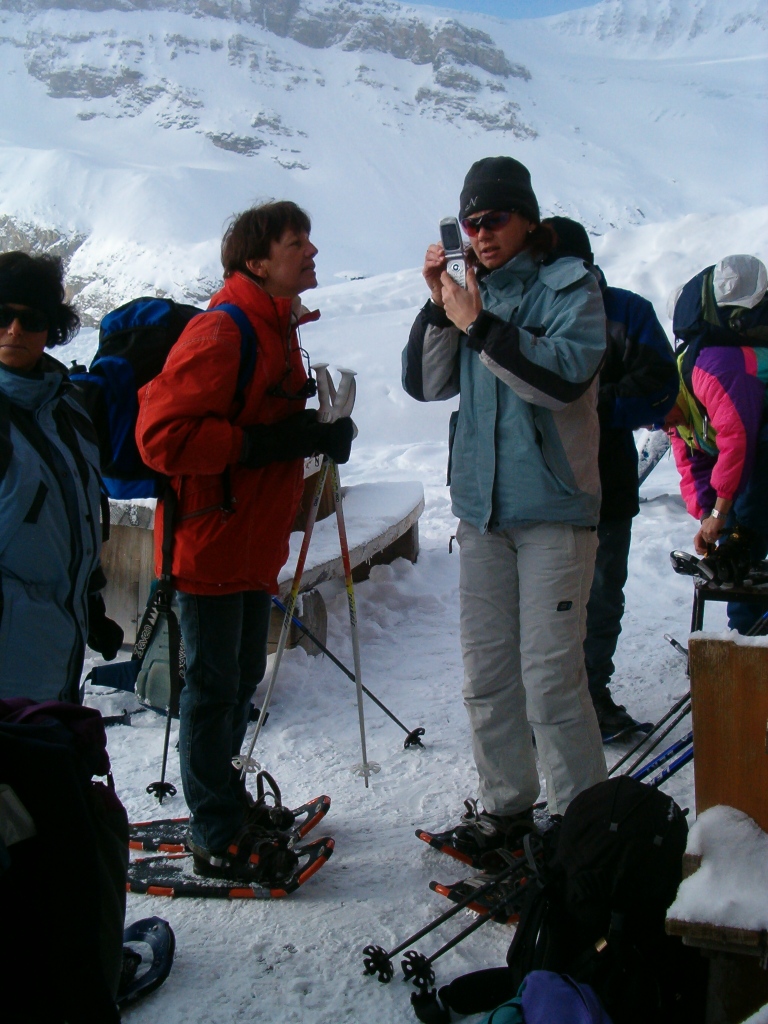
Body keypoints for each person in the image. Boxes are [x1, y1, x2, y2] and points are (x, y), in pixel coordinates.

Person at [136, 201, 354, 880]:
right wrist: (264, 444)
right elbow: (160, 437)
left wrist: (315, 435)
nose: (311, 252)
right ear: (257, 261)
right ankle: (215, 831)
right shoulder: (224, 330)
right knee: (211, 690)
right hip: (209, 544)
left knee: (237, 683)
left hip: (248, 543)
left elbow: (265, 425)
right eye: (296, 243)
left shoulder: (278, 327)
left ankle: (225, 803)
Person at [402, 157, 607, 855]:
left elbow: (562, 379)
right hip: (482, 514)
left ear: (528, 220)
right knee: (488, 678)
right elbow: (425, 386)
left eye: (495, 219)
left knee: (551, 681)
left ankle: (581, 832)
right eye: (471, 223)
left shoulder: (571, 287)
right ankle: (506, 810)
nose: (482, 234)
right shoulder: (469, 295)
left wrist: (480, 324)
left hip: (554, 511)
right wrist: (439, 306)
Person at [541, 217, 678, 738]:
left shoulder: (624, 311)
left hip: (603, 484)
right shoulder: (527, 310)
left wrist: (589, 404)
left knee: (598, 595)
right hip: (545, 487)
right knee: (550, 598)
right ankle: (550, 703)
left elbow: (659, 385)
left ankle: (588, 698)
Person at [0, 252, 122, 704]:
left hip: (55, 660)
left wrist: (89, 601)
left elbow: (74, 516)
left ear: (51, 329)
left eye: (31, 319)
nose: (14, 330)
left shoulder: (69, 410)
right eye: (2, 315)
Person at [665, 255, 768, 633]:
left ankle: (750, 634)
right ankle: (746, 637)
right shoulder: (676, 413)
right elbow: (692, 469)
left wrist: (722, 516)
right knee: (735, 544)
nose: (661, 426)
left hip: (760, 444)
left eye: (657, 417)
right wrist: (710, 521)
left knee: (746, 523)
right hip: (756, 446)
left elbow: (739, 440)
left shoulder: (710, 370)